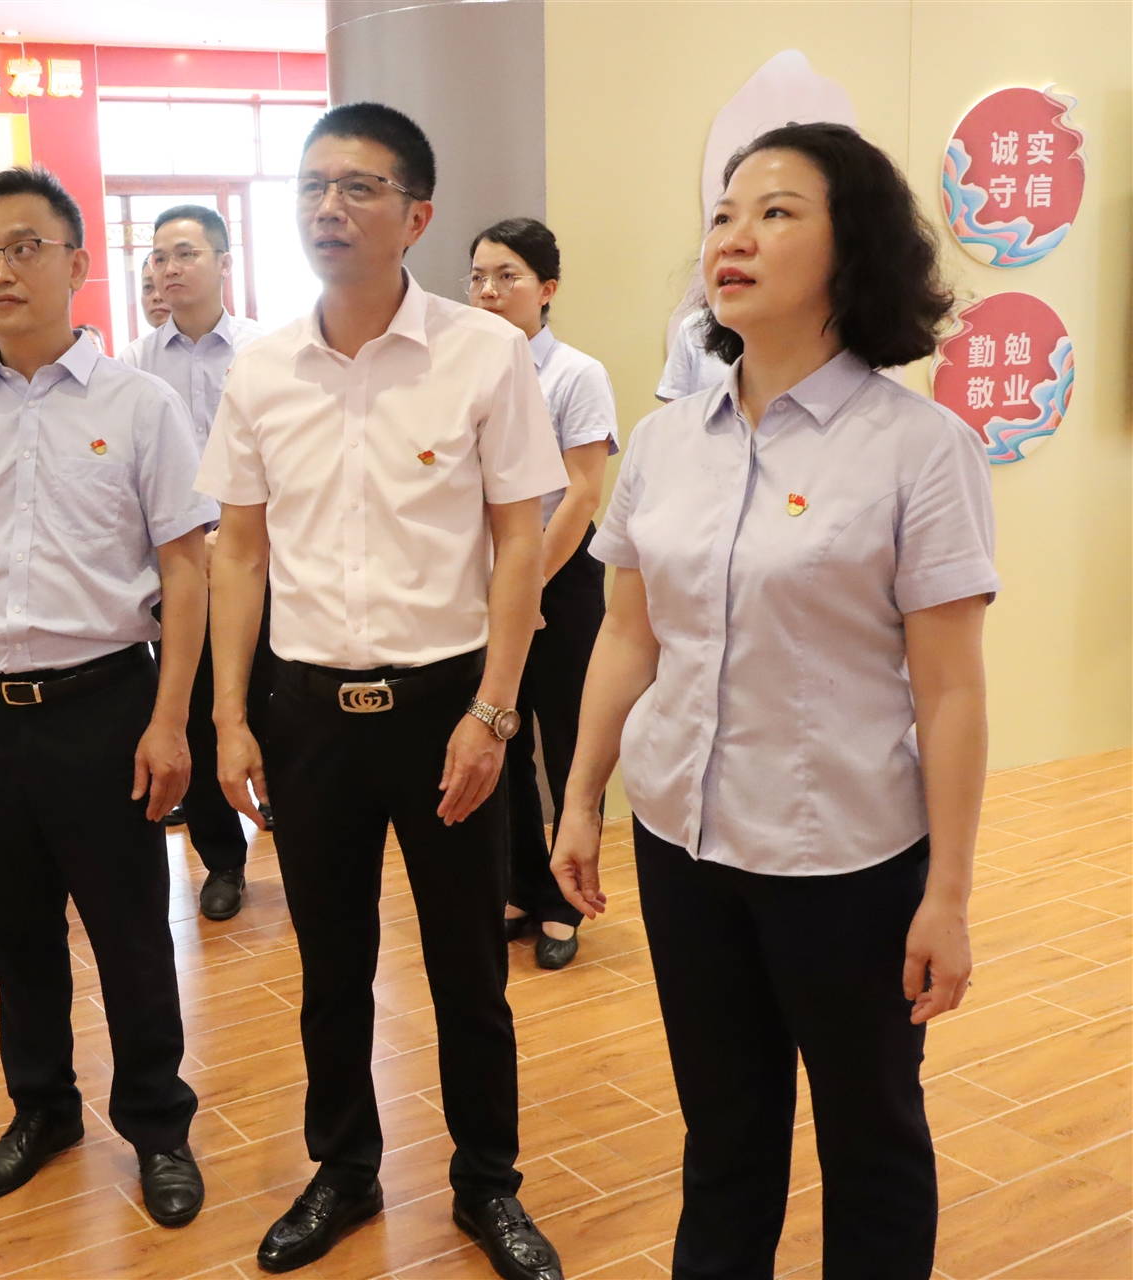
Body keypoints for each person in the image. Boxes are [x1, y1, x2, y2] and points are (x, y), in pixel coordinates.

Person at [551, 122, 989, 1280]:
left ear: (854, 250)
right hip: (682, 844)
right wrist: (582, 796)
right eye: (723, 215)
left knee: (871, 1141)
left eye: (777, 212)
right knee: (725, 1136)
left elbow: (951, 690)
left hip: (844, 861)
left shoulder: (920, 448)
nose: (734, 238)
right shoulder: (663, 442)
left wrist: (948, 895)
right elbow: (628, 633)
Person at [201, 104, 566, 1278]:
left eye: (359, 187)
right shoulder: (262, 369)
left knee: (470, 966)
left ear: (416, 215)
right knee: (331, 961)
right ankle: (344, 1168)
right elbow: (239, 552)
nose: (329, 207)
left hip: (447, 704)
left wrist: (494, 711)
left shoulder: (483, 353)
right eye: (313, 186)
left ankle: (488, 1181)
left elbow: (520, 539)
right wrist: (229, 716)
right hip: (308, 712)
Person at [0, 167, 213, 1227]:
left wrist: (171, 721)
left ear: (77, 263)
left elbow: (186, 568)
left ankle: (158, 1126)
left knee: (130, 932)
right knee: (13, 931)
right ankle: (43, 1108)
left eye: (23, 247)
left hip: (103, 707)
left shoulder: (141, 404)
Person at [463, 217, 618, 970]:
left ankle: (565, 900)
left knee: (564, 741)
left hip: (560, 576)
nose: (488, 292)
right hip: (489, 583)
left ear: (547, 289)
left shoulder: (576, 374)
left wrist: (526, 593)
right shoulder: (464, 371)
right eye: (477, 278)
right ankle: (520, 886)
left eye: (508, 277)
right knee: (503, 733)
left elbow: (583, 493)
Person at [120, 202, 267, 921]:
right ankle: (222, 861)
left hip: (266, 563)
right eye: (159, 257)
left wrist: (238, 541)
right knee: (199, 709)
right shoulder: (133, 366)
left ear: (224, 263)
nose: (168, 269)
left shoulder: (266, 352)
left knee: (279, 706)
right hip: (183, 572)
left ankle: (300, 838)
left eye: (185, 254)